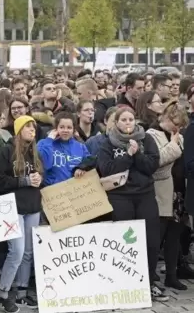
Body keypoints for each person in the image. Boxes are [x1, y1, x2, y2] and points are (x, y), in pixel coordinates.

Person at [96, 107, 168, 302]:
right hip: (120, 196)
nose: (128, 123)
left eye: (131, 119)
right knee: (123, 242)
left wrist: (137, 154)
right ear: (116, 122)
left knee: (150, 240)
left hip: (144, 195)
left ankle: (150, 281)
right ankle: (124, 283)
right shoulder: (107, 142)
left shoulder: (146, 139)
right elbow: (107, 169)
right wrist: (128, 155)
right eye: (123, 120)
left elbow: (151, 166)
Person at [0, 115, 43, 311]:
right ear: (19, 130)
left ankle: (21, 292)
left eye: (34, 127)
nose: (32, 130)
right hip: (13, 207)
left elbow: (39, 176)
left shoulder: (34, 153)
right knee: (17, 251)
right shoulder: (6, 151)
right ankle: (4, 292)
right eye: (28, 127)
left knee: (28, 251)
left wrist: (39, 178)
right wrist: (24, 181)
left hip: (33, 206)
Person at [146, 102, 189, 290]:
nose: (178, 128)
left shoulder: (177, 136)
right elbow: (156, 162)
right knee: (157, 236)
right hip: (160, 191)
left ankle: (172, 274)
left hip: (178, 191)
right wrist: (173, 146)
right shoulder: (151, 135)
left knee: (175, 236)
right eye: (176, 123)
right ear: (167, 118)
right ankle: (151, 274)